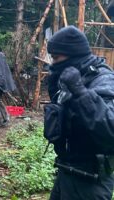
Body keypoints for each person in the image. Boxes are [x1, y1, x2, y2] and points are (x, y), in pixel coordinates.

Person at [45, 25, 114, 200]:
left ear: (72, 55)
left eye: (56, 58)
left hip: (90, 183)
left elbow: (110, 131)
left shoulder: (103, 80)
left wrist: (81, 93)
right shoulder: (75, 75)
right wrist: (55, 86)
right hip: (66, 172)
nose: (53, 63)